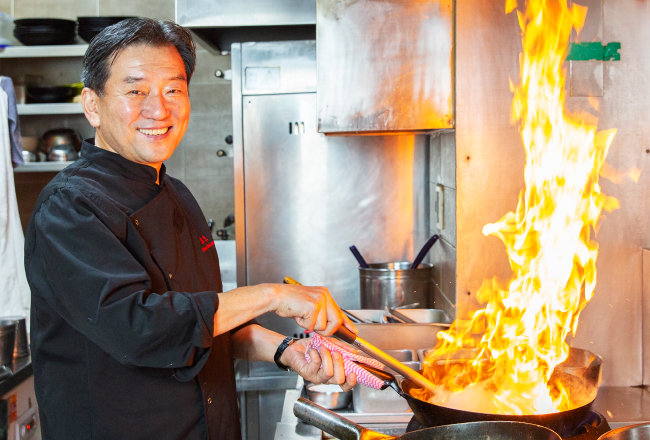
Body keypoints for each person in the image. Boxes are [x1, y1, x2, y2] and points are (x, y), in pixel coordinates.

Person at [24, 17, 357, 440]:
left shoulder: (175, 193)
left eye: (173, 90)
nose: (158, 109)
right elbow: (141, 330)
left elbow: (200, 324)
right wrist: (271, 295)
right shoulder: (70, 207)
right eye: (136, 90)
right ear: (92, 105)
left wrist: (285, 350)